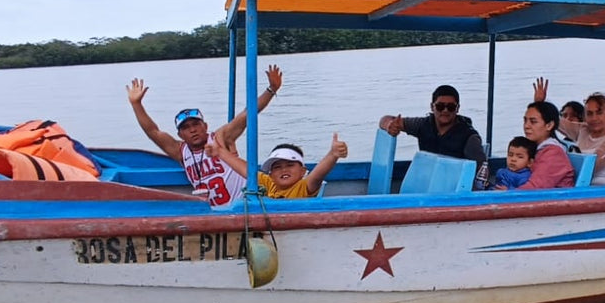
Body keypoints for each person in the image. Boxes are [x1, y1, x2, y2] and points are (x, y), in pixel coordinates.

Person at [126, 65, 282, 206]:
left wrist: (271, 90)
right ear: (180, 134)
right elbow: (153, 131)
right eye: (186, 128)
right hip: (213, 212)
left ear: (205, 126)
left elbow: (247, 114)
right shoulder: (180, 151)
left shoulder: (220, 138)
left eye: (196, 124)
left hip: (242, 206)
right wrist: (136, 104)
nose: (193, 130)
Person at [380, 85, 489, 186]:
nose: (445, 110)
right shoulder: (423, 125)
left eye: (451, 107)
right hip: (425, 184)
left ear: (457, 108)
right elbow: (386, 119)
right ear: (432, 107)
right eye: (440, 106)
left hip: (454, 189)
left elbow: (482, 173)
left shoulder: (470, 137)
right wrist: (389, 125)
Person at [208, 135, 348, 199]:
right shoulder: (269, 183)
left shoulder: (303, 186)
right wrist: (219, 152)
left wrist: (333, 154)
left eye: (290, 165)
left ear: (302, 171)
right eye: (277, 167)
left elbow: (318, 174)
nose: (284, 170)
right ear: (271, 174)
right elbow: (247, 171)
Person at [538, 80, 605, 184]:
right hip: (580, 186)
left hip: (604, 191)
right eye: (589, 114)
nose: (594, 118)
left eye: (599, 113)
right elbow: (556, 121)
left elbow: (591, 166)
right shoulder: (583, 129)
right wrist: (541, 103)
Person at [503, 100, 575, 189]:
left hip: (552, 200)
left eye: (533, 122)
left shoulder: (554, 154)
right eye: (525, 121)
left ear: (549, 125)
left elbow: (535, 188)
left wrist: (506, 193)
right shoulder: (536, 148)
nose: (526, 126)